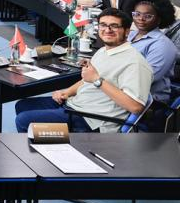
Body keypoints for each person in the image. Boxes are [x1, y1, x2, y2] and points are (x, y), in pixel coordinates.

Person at [14, 9, 152, 133]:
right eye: (103, 25)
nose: (107, 30)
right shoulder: (103, 51)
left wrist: (98, 80)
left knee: (24, 120)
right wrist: (67, 92)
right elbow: (87, 80)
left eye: (114, 26)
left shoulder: (135, 63)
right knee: (22, 105)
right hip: (75, 105)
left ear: (127, 31)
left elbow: (135, 107)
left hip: (92, 120)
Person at [126, 0, 177, 103]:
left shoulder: (163, 45)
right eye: (137, 14)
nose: (141, 19)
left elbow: (145, 78)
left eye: (148, 16)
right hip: (123, 90)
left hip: (147, 101)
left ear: (159, 19)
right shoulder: (130, 35)